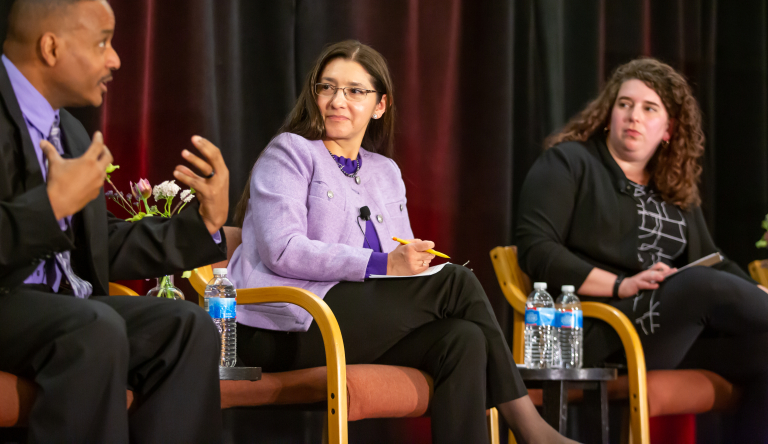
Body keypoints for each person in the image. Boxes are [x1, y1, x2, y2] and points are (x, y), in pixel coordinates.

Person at [228, 40, 575, 444]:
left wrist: (414, 264)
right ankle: (531, 428)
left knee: (463, 339)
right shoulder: (289, 152)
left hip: (353, 320)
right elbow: (283, 249)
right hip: (286, 324)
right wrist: (382, 264)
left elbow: (401, 261)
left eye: (355, 91)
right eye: (327, 87)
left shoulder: (385, 172)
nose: (338, 100)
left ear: (380, 105)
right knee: (456, 283)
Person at [0, 0, 230, 443]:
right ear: (50, 47)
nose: (116, 60)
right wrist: (47, 210)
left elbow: (102, 243)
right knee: (96, 327)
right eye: (103, 43)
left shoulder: (67, 128)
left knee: (188, 327)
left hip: (68, 309)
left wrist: (203, 223)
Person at [516, 57, 768, 439]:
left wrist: (757, 293)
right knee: (695, 285)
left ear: (668, 128)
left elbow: (713, 262)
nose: (634, 115)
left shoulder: (673, 186)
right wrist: (622, 285)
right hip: (595, 329)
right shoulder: (568, 162)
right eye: (625, 104)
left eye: (649, 108)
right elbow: (536, 249)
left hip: (668, 336)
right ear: (608, 113)